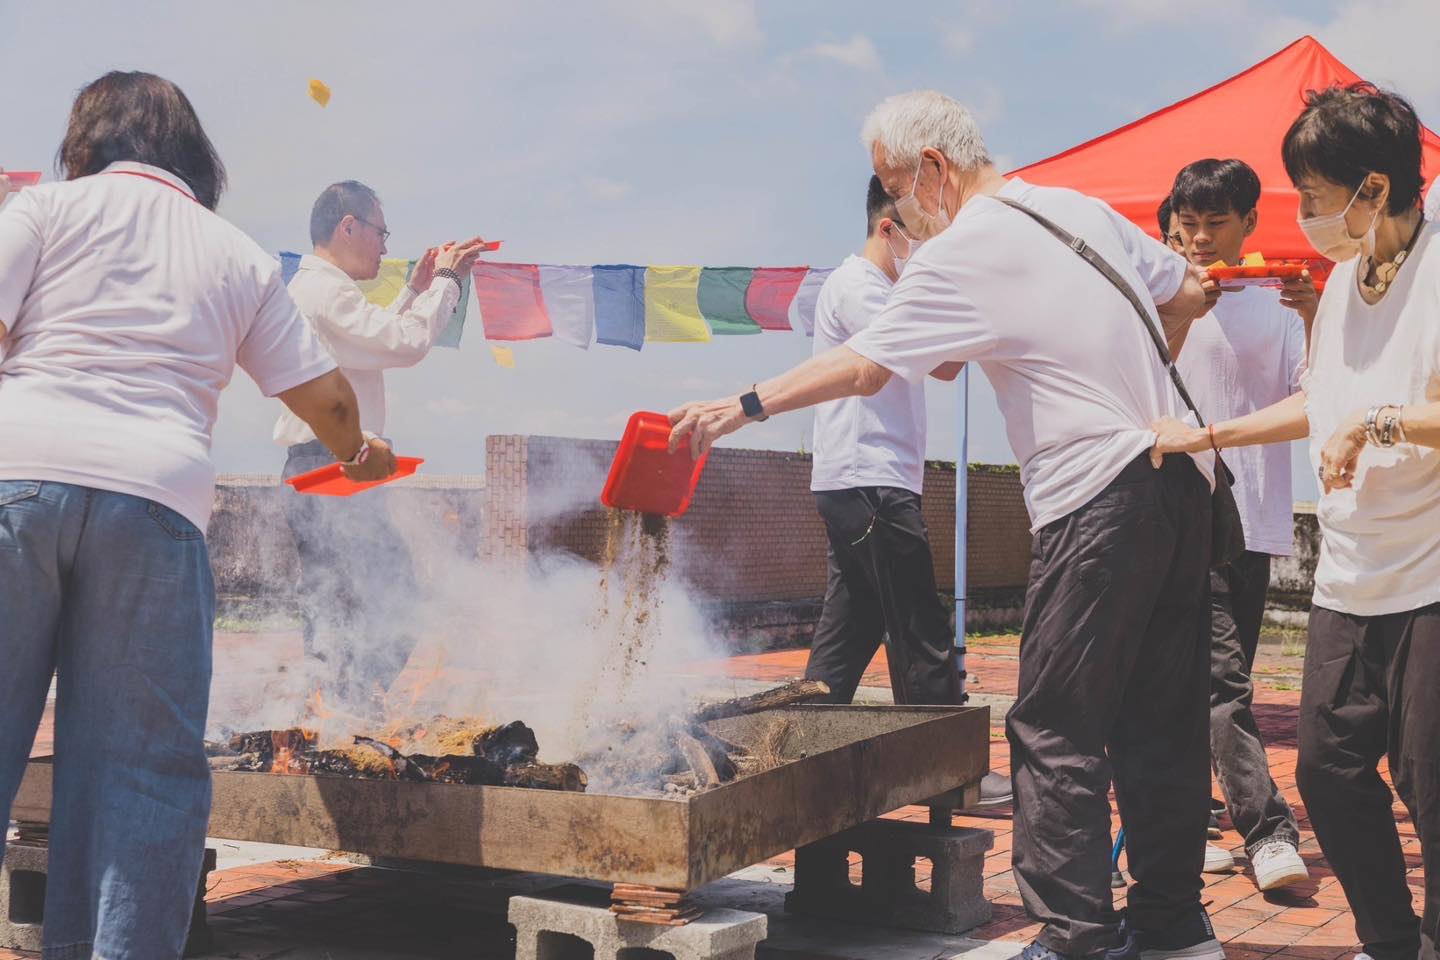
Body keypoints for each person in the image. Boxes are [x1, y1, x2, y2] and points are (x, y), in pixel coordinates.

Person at [669, 89, 1217, 960]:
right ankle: (1174, 930)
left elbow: (863, 368)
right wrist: (1143, 397)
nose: (897, 211)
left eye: (895, 186)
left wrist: (742, 404)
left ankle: (1078, 937)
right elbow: (1191, 287)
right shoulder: (1073, 206)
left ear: (933, 170)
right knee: (1163, 720)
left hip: (1098, 496)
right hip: (1185, 482)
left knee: (1053, 726)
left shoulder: (961, 248)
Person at [0, 71, 393, 959]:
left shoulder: (41, 212)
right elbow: (325, 397)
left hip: (15, 479)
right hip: (155, 500)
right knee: (138, 778)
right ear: (192, 156)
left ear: (86, 138)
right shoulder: (238, 253)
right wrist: (358, 453)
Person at [1154, 82, 1439, 960]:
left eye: (1314, 198)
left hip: (1431, 575)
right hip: (1349, 576)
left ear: (1374, 189)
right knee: (1327, 771)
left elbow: (1376, 410)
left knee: (1430, 788)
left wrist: (1380, 422)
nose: (1307, 215)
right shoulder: (1347, 283)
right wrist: (1209, 433)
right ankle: (1392, 940)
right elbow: (1322, 400)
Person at [273, 182, 487, 715]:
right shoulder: (325, 291)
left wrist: (415, 293)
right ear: (349, 226)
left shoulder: (320, 290)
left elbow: (372, 344)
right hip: (332, 469)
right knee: (384, 602)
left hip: (329, 467)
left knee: (342, 605)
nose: (385, 247)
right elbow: (403, 344)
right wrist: (446, 282)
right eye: (381, 232)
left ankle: (338, 707)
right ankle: (344, 708)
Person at [1168, 158, 1314, 890]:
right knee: (1185, 679)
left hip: (1246, 520)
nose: (1198, 237)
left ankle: (1234, 826)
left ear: (1250, 223)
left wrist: (1314, 310)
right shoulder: (1162, 297)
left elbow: (1317, 392)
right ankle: (1227, 826)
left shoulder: (1279, 305)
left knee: (1222, 680)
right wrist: (1173, 303)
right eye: (1187, 223)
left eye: (1214, 223)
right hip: (1164, 517)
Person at [805, 175, 960, 707]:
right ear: (888, 228)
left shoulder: (886, 291)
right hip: (869, 479)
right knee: (921, 629)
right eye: (922, 234)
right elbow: (942, 363)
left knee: (851, 626)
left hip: (867, 480)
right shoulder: (861, 287)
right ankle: (948, 773)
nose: (928, 248)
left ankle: (801, 743)